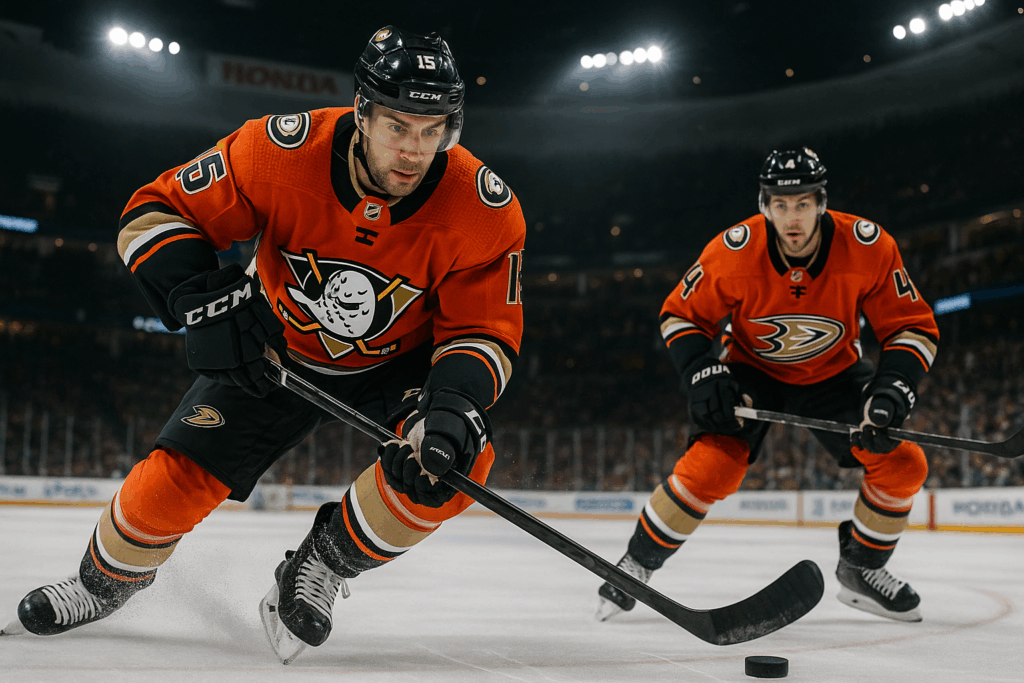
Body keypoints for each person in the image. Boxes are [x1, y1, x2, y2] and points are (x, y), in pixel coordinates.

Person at [4, 26, 526, 665]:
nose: (415, 151)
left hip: (400, 365)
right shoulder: (280, 151)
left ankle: (323, 561)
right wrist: (203, 301)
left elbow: (483, 330)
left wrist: (448, 407)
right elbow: (154, 213)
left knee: (455, 461)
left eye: (432, 129)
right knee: (165, 488)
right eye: (397, 126)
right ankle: (100, 585)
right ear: (362, 112)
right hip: (273, 349)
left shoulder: (484, 209)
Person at [596, 148, 938, 624]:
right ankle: (635, 564)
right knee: (712, 467)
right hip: (750, 369)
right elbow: (680, 315)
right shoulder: (733, 251)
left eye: (802, 204)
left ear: (821, 203)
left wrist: (894, 387)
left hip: (836, 372)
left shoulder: (869, 246)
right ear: (764, 205)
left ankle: (862, 568)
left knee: (903, 464)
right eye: (780, 204)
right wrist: (701, 371)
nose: (792, 218)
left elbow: (910, 327)